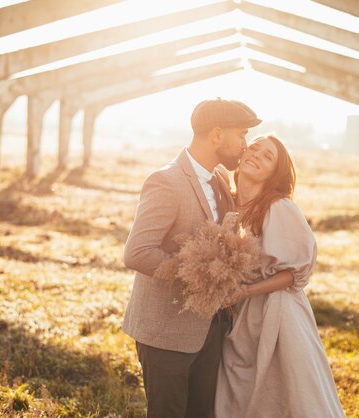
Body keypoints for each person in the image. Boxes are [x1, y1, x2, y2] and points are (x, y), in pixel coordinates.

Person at [122, 98, 261, 418]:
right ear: (216, 135)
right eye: (241, 135)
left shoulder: (222, 179)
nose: (245, 145)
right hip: (166, 332)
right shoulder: (166, 181)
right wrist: (202, 276)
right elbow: (137, 252)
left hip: (211, 330)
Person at [215, 134, 346, 417]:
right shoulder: (229, 203)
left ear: (275, 172)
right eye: (254, 149)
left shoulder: (278, 207)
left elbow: (294, 273)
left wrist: (246, 292)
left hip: (278, 311)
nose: (256, 156)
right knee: (241, 387)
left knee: (283, 389)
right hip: (242, 313)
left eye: (267, 157)